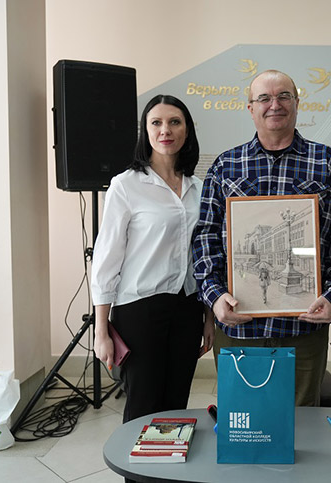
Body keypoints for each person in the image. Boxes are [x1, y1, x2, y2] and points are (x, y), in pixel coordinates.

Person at [193, 69, 331, 407]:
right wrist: (214, 297)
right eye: (264, 98)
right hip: (239, 327)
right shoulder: (225, 166)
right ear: (250, 108)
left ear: (297, 103)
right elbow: (205, 239)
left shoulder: (327, 162)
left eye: (284, 96)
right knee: (243, 420)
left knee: (302, 422)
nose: (275, 105)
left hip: (303, 328)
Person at [92, 94, 215, 425]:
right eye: (156, 122)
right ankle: (136, 462)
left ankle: (170, 461)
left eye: (174, 122)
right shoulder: (126, 186)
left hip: (187, 308)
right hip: (139, 310)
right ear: (145, 131)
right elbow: (106, 258)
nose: (165, 130)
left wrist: (208, 317)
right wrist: (101, 330)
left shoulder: (199, 188)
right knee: (143, 409)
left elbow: (204, 256)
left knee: (175, 407)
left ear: (187, 130)